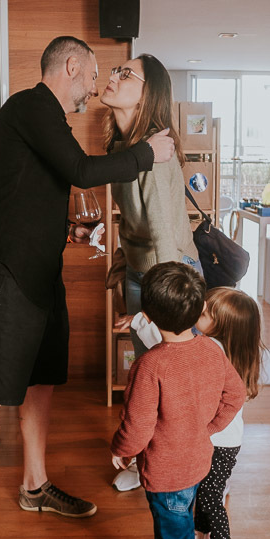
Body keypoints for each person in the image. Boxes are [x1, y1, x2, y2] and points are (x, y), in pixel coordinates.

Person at [0, 36, 178, 539]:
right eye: (92, 76)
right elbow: (81, 173)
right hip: (6, 280)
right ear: (72, 67)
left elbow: (31, 194)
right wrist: (147, 153)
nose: (95, 86)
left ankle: (35, 486)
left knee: (41, 386)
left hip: (41, 276)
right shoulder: (30, 106)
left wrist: (65, 230)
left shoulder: (46, 121)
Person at [111, 262, 246, 539]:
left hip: (166, 475)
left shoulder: (150, 365)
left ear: (150, 316)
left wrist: (121, 450)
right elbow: (236, 392)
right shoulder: (213, 350)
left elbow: (138, 426)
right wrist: (209, 428)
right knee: (182, 525)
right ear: (201, 307)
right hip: (199, 463)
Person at [99, 54, 201, 357]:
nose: (114, 76)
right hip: (141, 269)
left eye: (126, 74)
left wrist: (165, 303)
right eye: (117, 70)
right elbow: (135, 215)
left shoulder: (152, 155)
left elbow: (163, 234)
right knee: (151, 365)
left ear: (147, 96)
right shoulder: (127, 149)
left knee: (171, 368)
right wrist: (126, 254)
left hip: (168, 274)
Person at [192, 287, 266, 539]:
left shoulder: (211, 349)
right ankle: (202, 538)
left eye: (205, 312)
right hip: (224, 440)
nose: (199, 312)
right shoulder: (226, 349)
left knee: (210, 497)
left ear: (223, 326)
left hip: (218, 441)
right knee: (204, 491)